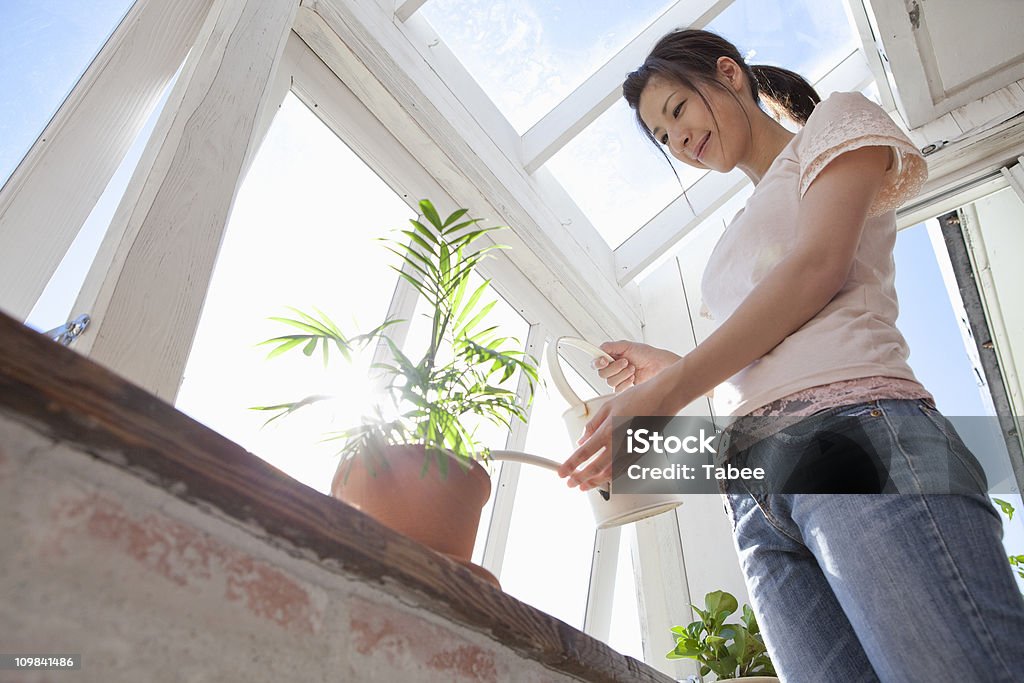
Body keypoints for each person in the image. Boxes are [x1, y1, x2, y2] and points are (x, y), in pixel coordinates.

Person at [556, 28, 1024, 682]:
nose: (677, 140)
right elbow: (772, 340)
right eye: (661, 138)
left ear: (728, 74)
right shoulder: (736, 232)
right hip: (756, 494)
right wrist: (672, 365)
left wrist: (670, 391)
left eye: (677, 111)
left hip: (853, 436)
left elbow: (815, 270)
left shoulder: (836, 122)